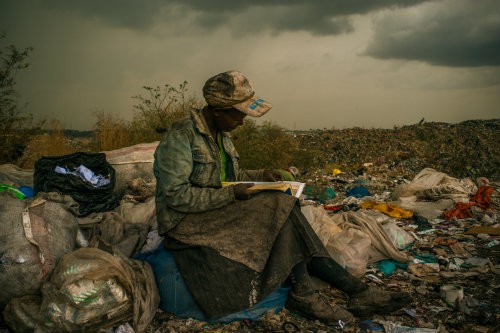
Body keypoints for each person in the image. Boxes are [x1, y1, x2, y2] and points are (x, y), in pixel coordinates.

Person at [153, 70, 411, 324]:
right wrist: (232, 193)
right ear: (218, 111)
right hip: (185, 222)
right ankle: (322, 292)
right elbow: (177, 196)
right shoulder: (181, 136)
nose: (242, 122)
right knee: (279, 207)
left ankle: (351, 291)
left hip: (213, 209)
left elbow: (229, 175)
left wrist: (263, 175)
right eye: (239, 115)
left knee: (284, 204)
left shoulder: (222, 136)